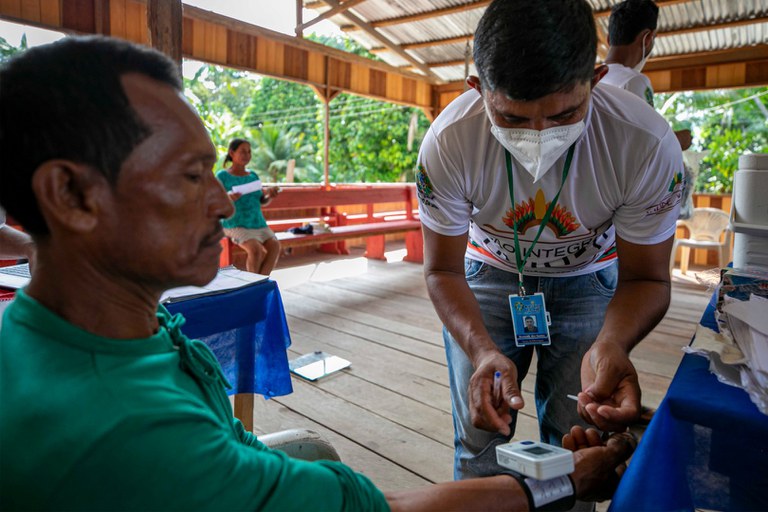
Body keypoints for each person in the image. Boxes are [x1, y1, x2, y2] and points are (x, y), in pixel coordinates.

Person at [0, 35, 638, 511]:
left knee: (310, 449)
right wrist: (559, 481)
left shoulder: (73, 320)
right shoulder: (131, 434)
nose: (224, 203)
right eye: (192, 177)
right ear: (72, 197)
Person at [416, 0, 683, 481]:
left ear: (597, 80)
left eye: (565, 114)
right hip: (488, 281)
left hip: (590, 285)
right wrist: (480, 349)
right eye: (512, 119)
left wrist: (614, 343)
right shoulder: (449, 141)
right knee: (479, 442)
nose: (539, 136)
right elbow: (442, 270)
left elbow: (645, 276)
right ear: (478, 91)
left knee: (577, 441)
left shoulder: (644, 143)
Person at [216, 139, 281, 275]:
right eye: (243, 151)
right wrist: (228, 198)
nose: (247, 155)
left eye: (249, 152)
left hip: (258, 223)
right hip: (234, 224)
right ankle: (255, 286)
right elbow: (215, 202)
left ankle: (260, 282)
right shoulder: (222, 176)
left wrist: (270, 196)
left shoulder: (253, 176)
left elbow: (261, 201)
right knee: (255, 250)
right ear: (232, 153)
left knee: (275, 246)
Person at [601, 0, 658, 106]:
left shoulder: (590, 80)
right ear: (647, 39)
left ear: (608, 39)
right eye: (654, 37)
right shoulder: (634, 81)